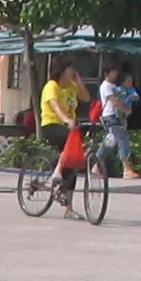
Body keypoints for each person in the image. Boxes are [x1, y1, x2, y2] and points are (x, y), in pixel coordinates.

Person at [38, 61, 89, 211]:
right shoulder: (52, 86)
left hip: (69, 128)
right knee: (70, 137)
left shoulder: (72, 86)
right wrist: (66, 119)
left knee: (72, 166)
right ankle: (57, 170)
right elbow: (55, 105)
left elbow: (86, 98)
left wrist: (79, 81)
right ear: (62, 70)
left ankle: (69, 208)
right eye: (70, 69)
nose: (72, 71)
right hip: (51, 125)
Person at [96, 63, 135, 174]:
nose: (115, 74)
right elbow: (115, 102)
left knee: (110, 142)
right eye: (113, 71)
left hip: (116, 116)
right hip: (110, 116)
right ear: (106, 73)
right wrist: (125, 109)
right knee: (122, 139)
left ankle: (96, 164)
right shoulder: (106, 86)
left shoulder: (114, 86)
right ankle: (126, 168)